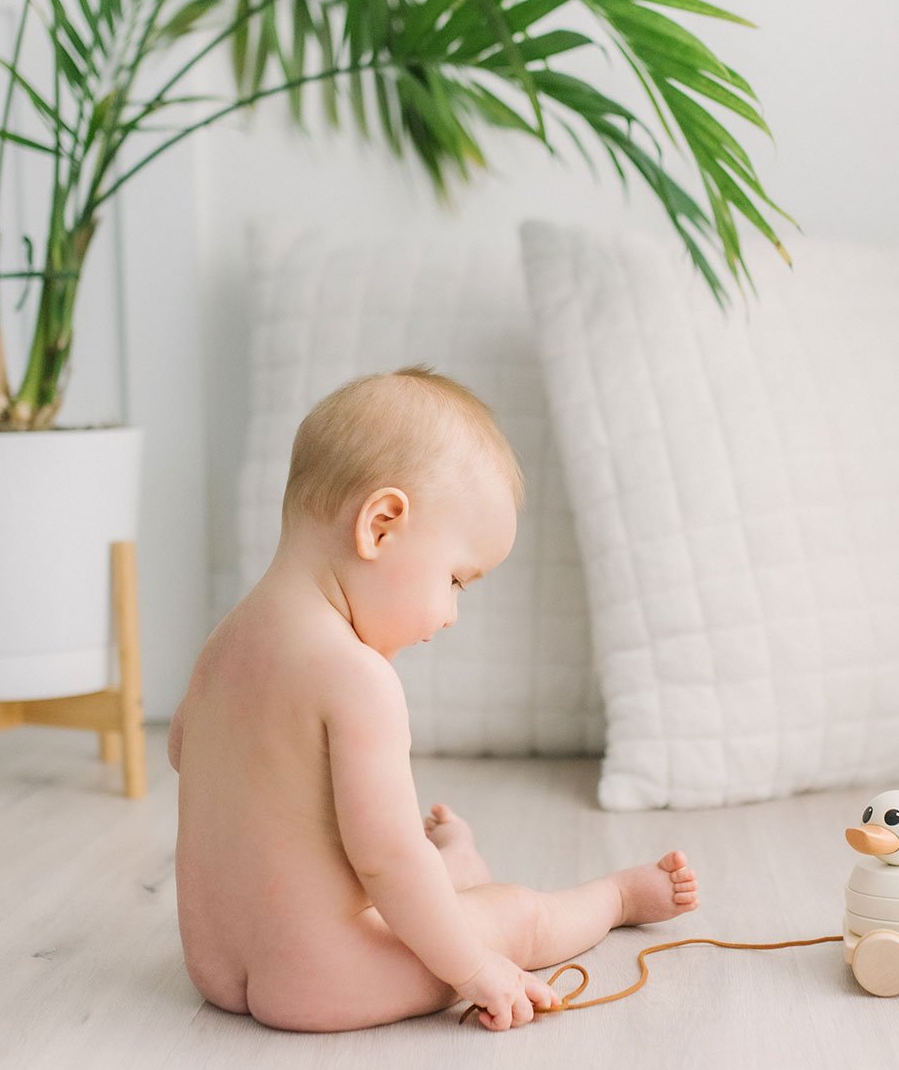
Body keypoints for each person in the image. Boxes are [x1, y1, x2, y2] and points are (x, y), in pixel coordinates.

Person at [171, 365, 698, 1031]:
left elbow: (185, 750)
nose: (450, 612)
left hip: (215, 963)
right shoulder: (357, 677)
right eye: (455, 578)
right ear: (382, 525)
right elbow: (387, 858)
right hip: (319, 975)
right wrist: (474, 968)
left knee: (411, 883)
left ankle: (456, 867)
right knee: (511, 916)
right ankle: (617, 896)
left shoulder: (221, 643)